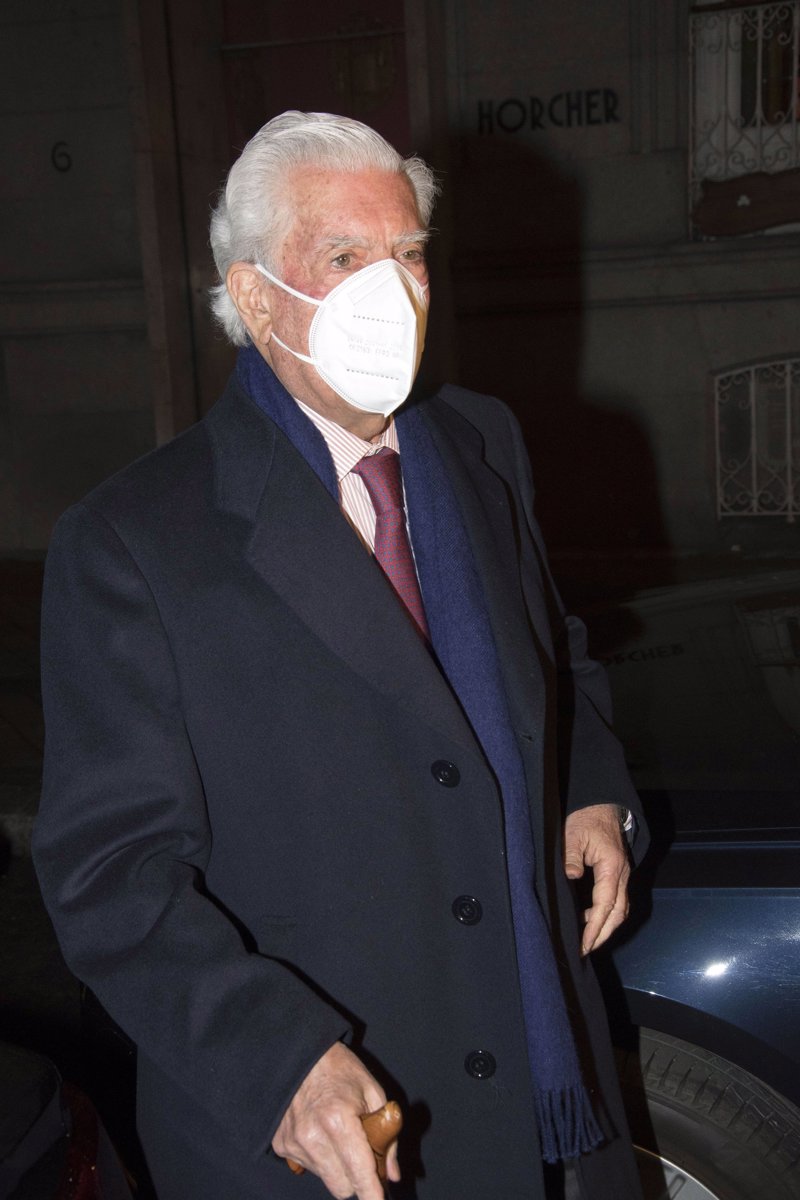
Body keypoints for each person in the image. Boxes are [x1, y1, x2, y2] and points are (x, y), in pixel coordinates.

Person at [33, 111, 647, 1200]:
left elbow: (549, 644)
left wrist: (588, 786)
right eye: (344, 257)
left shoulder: (480, 441)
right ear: (257, 296)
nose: (392, 290)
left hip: (538, 1056)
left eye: (409, 252)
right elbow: (109, 875)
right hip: (337, 1119)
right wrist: (275, 1058)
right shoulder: (134, 539)